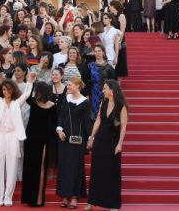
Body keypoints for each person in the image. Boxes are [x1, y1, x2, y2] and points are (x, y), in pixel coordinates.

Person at [0, 72, 36, 207]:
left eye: (8, 89)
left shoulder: (16, 103)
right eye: (3, 89)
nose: (6, 91)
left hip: (13, 136)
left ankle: (8, 196)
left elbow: (25, 95)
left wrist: (30, 82)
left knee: (12, 166)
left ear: (12, 90)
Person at [86, 80, 128, 211]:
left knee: (112, 173)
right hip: (100, 141)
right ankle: (91, 201)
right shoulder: (103, 103)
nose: (103, 90)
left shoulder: (121, 106)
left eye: (105, 88)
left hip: (113, 143)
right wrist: (91, 137)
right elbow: (98, 120)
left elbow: (123, 126)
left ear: (112, 90)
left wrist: (120, 144)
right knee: (96, 171)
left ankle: (113, 203)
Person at [56, 76, 92, 209]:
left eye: (70, 85)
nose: (68, 87)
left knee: (76, 167)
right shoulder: (66, 98)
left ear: (77, 86)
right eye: (67, 85)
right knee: (65, 167)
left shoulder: (85, 102)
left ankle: (75, 197)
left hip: (78, 139)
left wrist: (90, 138)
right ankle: (65, 195)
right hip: (64, 138)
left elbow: (87, 122)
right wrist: (59, 130)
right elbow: (61, 116)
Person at [21, 81, 57, 207]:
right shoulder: (33, 102)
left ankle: (39, 199)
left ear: (44, 92)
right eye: (36, 90)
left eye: (38, 90)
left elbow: (55, 124)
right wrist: (30, 81)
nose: (36, 93)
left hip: (45, 141)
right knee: (30, 167)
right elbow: (26, 95)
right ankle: (30, 198)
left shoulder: (53, 106)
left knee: (41, 168)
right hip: (31, 139)